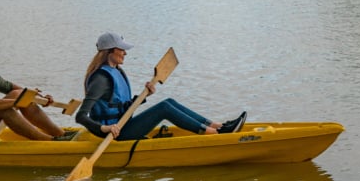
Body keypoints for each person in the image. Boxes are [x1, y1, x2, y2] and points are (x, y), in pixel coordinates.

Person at [75, 32, 246, 141]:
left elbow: (122, 107)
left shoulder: (116, 71)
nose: (125, 53)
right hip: (113, 134)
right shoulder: (100, 79)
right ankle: (214, 135)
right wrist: (106, 128)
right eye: (122, 49)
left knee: (169, 101)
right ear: (110, 51)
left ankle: (219, 127)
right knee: (164, 108)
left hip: (123, 124)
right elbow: (81, 116)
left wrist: (144, 97)